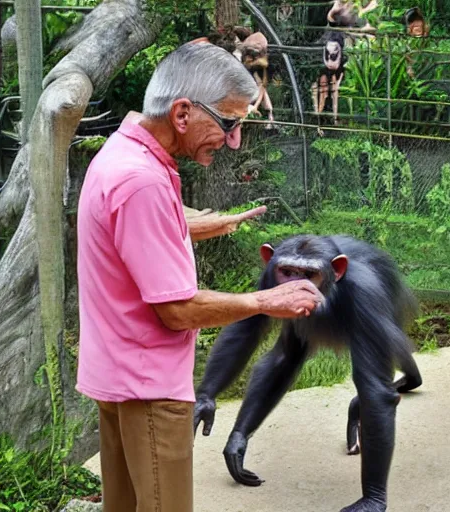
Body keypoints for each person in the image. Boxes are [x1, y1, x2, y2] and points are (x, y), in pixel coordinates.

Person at [75, 41, 323, 512]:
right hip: (149, 389)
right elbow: (176, 310)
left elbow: (122, 231)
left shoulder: (122, 154)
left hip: (118, 376)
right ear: (183, 112)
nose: (233, 140)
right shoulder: (142, 181)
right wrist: (265, 301)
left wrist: (186, 225)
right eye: (229, 123)